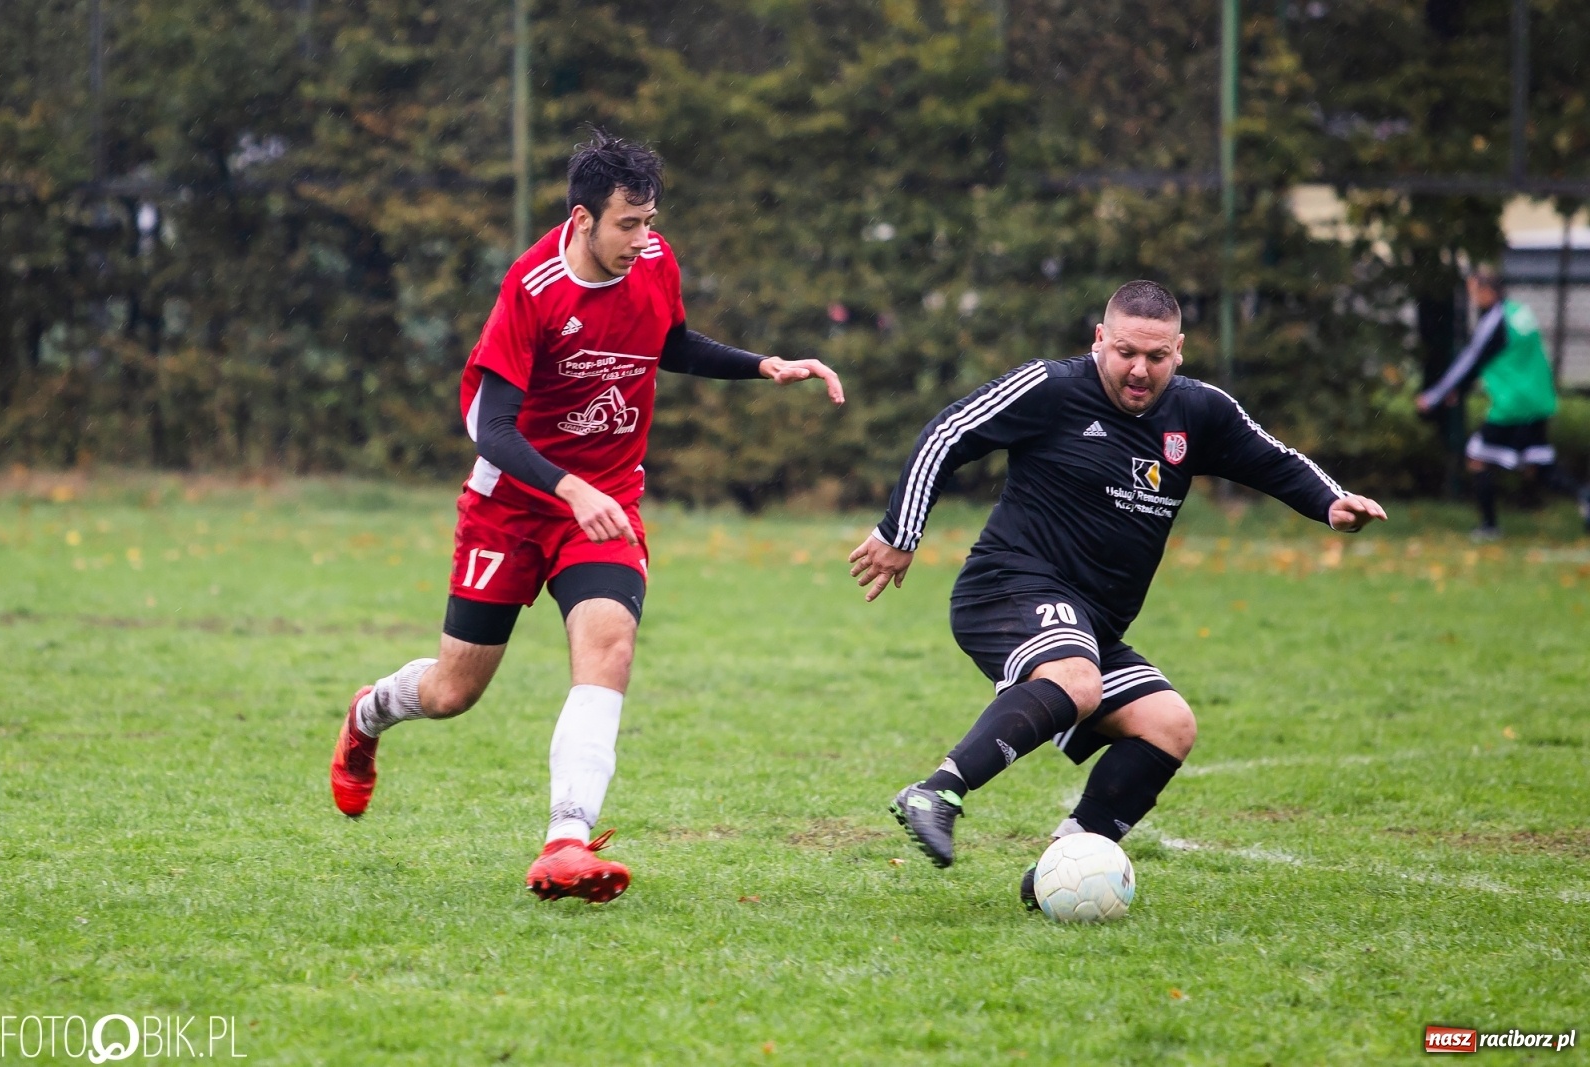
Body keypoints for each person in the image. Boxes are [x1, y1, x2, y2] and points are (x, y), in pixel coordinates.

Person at [330, 130, 843, 903]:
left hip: (605, 503)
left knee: (610, 646)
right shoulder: (531, 289)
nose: (643, 240)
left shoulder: (655, 261)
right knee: (452, 692)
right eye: (626, 225)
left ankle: (565, 839)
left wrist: (760, 364)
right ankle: (368, 716)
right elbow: (490, 427)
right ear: (580, 219)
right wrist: (568, 487)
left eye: (650, 220)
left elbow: (665, 342)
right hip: (511, 506)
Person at [848, 280, 1386, 907]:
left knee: (1168, 725)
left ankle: (1060, 869)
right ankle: (937, 790)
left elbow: (1272, 459)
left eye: (1156, 357)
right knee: (1078, 680)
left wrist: (1330, 502)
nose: (1139, 369)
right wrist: (900, 531)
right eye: (1126, 351)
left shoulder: (1199, 411)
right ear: (1099, 339)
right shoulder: (1051, 388)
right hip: (1006, 586)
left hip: (1093, 624)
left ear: (1179, 351)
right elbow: (948, 433)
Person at [1416, 265, 1583, 539]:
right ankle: (1584, 496)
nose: (1473, 299)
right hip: (1537, 400)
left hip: (1513, 404)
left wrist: (1436, 394)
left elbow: (1472, 358)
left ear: (1487, 291)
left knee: (1478, 457)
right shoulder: (1520, 313)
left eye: (1474, 292)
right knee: (1537, 465)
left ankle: (1489, 526)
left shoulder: (1495, 319)